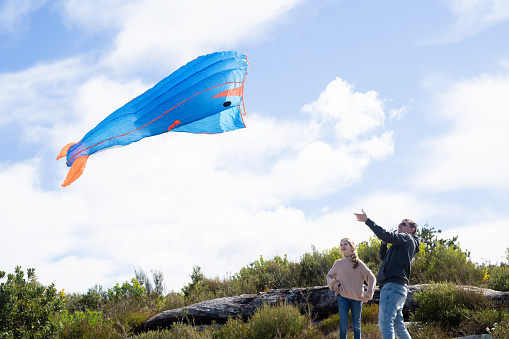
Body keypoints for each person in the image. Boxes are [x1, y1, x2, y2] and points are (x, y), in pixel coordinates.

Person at [354, 209, 420, 339]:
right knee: (398, 326)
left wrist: (367, 221)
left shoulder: (406, 238)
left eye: (403, 224)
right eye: (399, 224)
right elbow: (383, 257)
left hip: (393, 287)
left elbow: (385, 234)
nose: (399, 226)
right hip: (398, 288)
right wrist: (384, 243)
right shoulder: (404, 243)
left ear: (411, 229)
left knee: (385, 323)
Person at [326, 237, 376, 339]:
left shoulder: (359, 263)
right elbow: (329, 276)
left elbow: (372, 277)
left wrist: (368, 295)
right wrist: (334, 284)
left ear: (352, 247)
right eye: (341, 245)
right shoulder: (338, 263)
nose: (342, 246)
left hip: (357, 299)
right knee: (343, 327)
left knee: (357, 327)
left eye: (345, 244)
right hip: (343, 298)